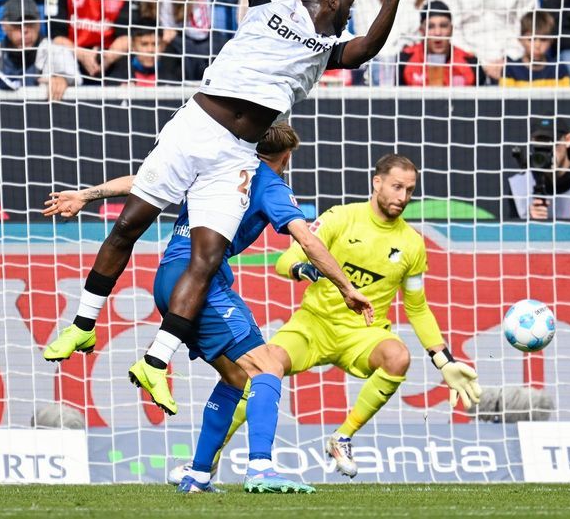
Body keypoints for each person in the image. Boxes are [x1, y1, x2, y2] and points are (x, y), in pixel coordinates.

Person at [41, 0, 415, 428]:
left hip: (238, 153)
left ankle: (156, 360)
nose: (350, 8)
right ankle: (82, 325)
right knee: (132, 222)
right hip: (196, 125)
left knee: (208, 255)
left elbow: (369, 48)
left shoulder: (328, 48)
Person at [43, 123, 372, 493]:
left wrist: (87, 194)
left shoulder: (214, 161)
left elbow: (145, 180)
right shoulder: (270, 184)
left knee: (235, 376)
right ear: (287, 156)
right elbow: (307, 241)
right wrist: (346, 287)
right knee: (269, 365)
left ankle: (198, 474)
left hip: (168, 278)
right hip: (201, 283)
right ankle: (261, 467)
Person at [168, 154, 482, 483]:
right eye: (397, 187)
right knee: (260, 367)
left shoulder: (412, 244)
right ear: (377, 183)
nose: (403, 197)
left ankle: (342, 437)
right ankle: (208, 459)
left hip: (363, 334)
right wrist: (301, 268)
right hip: (312, 327)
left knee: (397, 356)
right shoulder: (340, 218)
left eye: (410, 190)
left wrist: (443, 359)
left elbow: (416, 306)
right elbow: (286, 258)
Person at [0, 0, 81, 99]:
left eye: (30, 23)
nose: (25, 30)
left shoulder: (57, 51)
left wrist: (64, 80)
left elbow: (76, 79)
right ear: (4, 26)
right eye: (17, 25)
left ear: (39, 23)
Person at [507, 117, 570, 221]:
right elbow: (514, 236)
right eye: (540, 144)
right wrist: (530, 223)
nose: (547, 151)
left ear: (568, 140)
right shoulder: (519, 186)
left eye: (552, 143)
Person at [397, 0, 483, 86]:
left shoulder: (471, 63)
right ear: (422, 31)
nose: (437, 33)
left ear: (451, 30)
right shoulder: (404, 60)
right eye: (430, 27)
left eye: (443, 26)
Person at [501, 10, 570, 87]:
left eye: (543, 39)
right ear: (521, 40)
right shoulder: (510, 70)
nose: (537, 45)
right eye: (531, 39)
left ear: (551, 41)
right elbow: (506, 98)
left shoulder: (559, 69)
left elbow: (564, 98)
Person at [106, 15, 183, 85]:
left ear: (163, 47)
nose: (150, 50)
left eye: (155, 44)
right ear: (133, 47)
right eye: (144, 44)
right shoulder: (116, 79)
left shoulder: (173, 81)